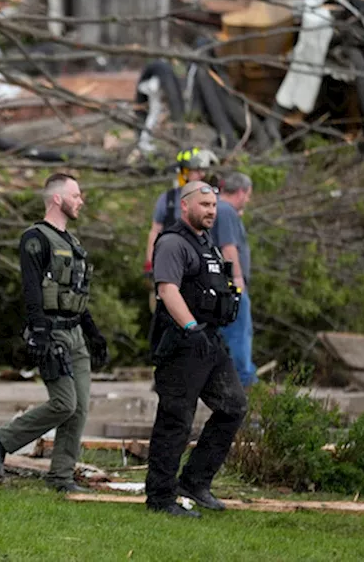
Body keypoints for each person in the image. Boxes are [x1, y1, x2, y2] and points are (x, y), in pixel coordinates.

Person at [0, 173, 109, 492]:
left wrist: (93, 334)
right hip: (51, 331)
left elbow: (75, 294)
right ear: (57, 198)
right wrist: (39, 331)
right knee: (64, 403)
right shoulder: (35, 238)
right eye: (76, 195)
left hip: (75, 331)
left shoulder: (73, 243)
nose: (81, 201)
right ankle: (0, 439)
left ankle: (61, 476)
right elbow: (31, 288)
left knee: (79, 409)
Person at [145, 180, 247, 518]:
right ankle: (160, 498)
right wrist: (190, 328)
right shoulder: (174, 242)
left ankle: (194, 481)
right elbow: (167, 289)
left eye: (214, 206)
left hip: (209, 340)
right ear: (186, 206)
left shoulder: (206, 244)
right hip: (182, 342)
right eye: (204, 205)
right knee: (176, 418)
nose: (211, 211)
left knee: (233, 406)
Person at [143, 147, 219, 282]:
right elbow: (155, 230)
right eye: (195, 170)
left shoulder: (210, 200)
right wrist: (150, 261)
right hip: (169, 261)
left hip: (199, 264)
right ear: (184, 172)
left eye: (202, 170)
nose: (201, 174)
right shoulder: (168, 199)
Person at [214, 171, 257, 387]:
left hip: (220, 286)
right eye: (248, 195)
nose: (248, 200)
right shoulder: (226, 211)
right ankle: (244, 381)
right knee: (239, 334)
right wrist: (237, 279)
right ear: (240, 192)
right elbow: (228, 248)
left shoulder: (220, 210)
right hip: (231, 286)